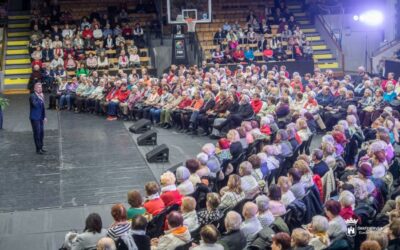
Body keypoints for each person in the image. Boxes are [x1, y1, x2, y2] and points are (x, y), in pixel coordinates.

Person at [30, 82, 47, 154]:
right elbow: (35, 105)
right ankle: (38, 149)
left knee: (41, 133)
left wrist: (44, 117)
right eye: (38, 87)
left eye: (41, 87)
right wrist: (41, 98)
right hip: (35, 117)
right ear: (35, 89)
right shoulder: (32, 96)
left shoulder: (40, 96)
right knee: (37, 133)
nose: (40, 89)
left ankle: (41, 147)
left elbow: (43, 108)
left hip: (40, 117)